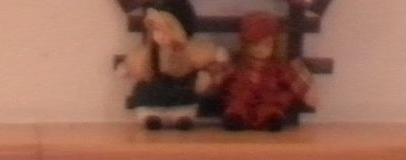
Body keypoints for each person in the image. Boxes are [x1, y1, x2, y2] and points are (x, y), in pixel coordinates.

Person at [122, 2, 226, 130]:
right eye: (156, 30)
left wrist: (216, 59)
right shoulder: (150, 50)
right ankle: (151, 117)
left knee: (185, 96)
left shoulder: (188, 49)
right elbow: (136, 61)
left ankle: (182, 118)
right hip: (154, 92)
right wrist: (127, 67)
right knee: (147, 93)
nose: (160, 35)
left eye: (165, 30)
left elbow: (205, 54)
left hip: (182, 92)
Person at [218, 11, 314, 131]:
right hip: (242, 97)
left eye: (266, 45)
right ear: (245, 44)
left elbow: (294, 76)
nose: (259, 50)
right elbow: (221, 75)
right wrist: (211, 81)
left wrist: (307, 92)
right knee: (236, 102)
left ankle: (271, 119)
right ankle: (236, 118)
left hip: (268, 98)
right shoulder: (238, 63)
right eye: (254, 45)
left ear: (274, 45)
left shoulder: (278, 66)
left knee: (272, 105)